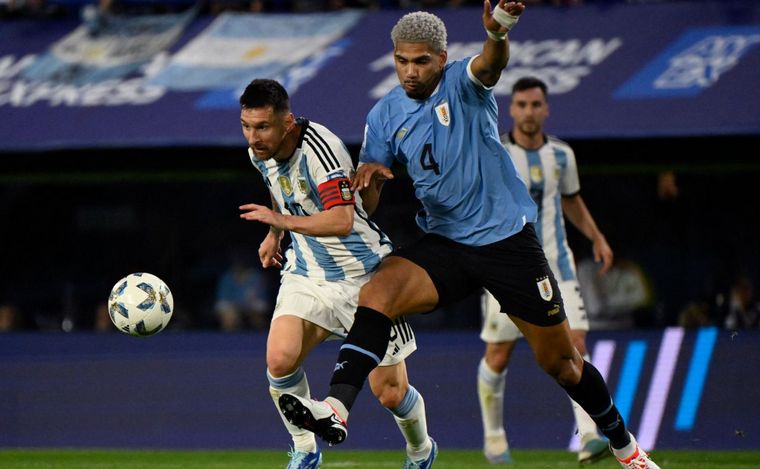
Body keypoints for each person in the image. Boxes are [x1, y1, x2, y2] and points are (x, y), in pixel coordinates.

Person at [277, 6, 660, 469]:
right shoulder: (383, 116)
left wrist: (498, 30)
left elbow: (492, 62)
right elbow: (369, 206)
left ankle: (625, 446)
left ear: (441, 58)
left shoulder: (464, 83)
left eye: (420, 61)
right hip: (446, 243)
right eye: (402, 61)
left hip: (506, 244)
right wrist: (373, 182)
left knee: (562, 364)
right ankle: (335, 408)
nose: (410, 71)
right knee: (377, 291)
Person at [237, 79, 436, 469]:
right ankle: (306, 449)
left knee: (391, 393)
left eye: (262, 127)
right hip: (308, 273)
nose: (253, 136)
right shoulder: (259, 152)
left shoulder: (320, 150)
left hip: (364, 276)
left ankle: (421, 450)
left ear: (287, 122)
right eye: (246, 125)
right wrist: (274, 233)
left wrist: (281, 220)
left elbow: (344, 220)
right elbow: (282, 190)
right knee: (279, 359)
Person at [477, 76, 613, 465]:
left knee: (576, 347)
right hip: (507, 269)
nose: (529, 112)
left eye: (536, 104)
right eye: (521, 104)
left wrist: (597, 236)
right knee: (498, 355)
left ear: (546, 108)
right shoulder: (495, 151)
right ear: (511, 108)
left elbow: (571, 201)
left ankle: (588, 437)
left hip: (559, 267)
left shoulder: (562, 156)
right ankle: (494, 438)